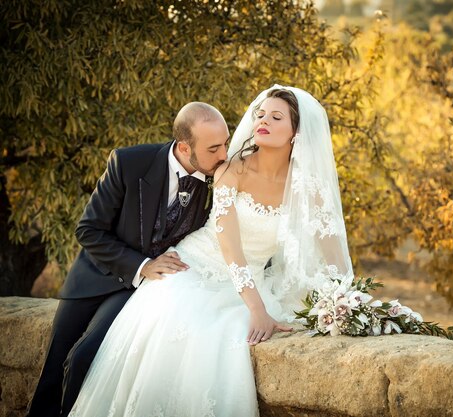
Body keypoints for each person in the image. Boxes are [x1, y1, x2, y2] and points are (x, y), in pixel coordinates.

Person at [67, 85, 354, 417]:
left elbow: (333, 252)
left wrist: (349, 301)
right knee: (207, 327)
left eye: (276, 117)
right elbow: (230, 246)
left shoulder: (308, 187)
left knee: (236, 332)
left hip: (251, 278)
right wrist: (258, 309)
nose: (263, 120)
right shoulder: (232, 170)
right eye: (261, 114)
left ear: (296, 133)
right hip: (193, 268)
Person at [27, 103, 230, 417]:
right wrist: (142, 266)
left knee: (84, 357)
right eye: (214, 148)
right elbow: (88, 229)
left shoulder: (221, 179)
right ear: (184, 147)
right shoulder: (129, 162)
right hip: (93, 276)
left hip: (138, 292)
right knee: (52, 369)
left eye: (226, 143)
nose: (223, 155)